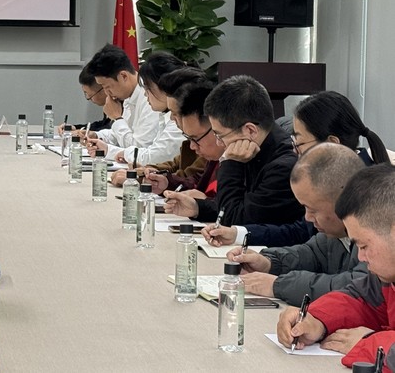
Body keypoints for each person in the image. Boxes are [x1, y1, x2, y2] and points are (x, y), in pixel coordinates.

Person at [204, 89, 390, 248]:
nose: (294, 151)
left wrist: (230, 162)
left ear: (332, 143)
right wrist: (237, 234)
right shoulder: (334, 176)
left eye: (299, 143)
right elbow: (302, 232)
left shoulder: (365, 193)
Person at [277, 164, 395, 369]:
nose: (361, 257)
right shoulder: (386, 278)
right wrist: (317, 320)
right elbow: (362, 300)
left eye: (364, 246)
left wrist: (369, 343)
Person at [225, 144, 367, 305]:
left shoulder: (378, 230)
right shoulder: (336, 232)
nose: (307, 217)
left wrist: (278, 285)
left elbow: (359, 287)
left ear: (343, 200)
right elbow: (312, 254)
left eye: (312, 209)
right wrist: (270, 263)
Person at [163, 75, 303, 226]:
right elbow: (238, 207)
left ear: (250, 130)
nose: (219, 143)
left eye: (220, 135)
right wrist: (198, 207)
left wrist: (230, 163)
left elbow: (234, 218)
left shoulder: (283, 168)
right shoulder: (253, 148)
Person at [82, 44, 172, 166]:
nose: (107, 93)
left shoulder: (152, 99)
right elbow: (122, 135)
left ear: (123, 76)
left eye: (106, 86)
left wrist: (116, 118)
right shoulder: (129, 95)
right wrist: (97, 136)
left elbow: (140, 147)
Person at [106, 51, 185, 185]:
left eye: (148, 88)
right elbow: (160, 160)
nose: (145, 94)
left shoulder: (181, 119)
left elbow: (154, 157)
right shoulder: (165, 115)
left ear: (166, 87)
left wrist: (131, 163)